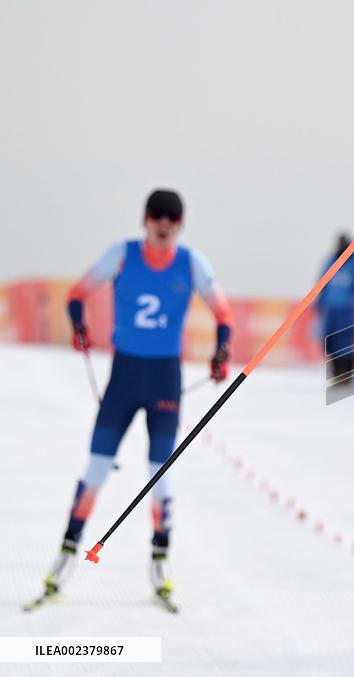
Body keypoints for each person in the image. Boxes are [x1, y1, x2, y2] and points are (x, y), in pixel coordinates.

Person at [37, 189, 233, 611]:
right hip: (124, 376)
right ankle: (66, 555)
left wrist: (221, 352)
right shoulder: (121, 255)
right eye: (157, 216)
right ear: (145, 220)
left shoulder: (192, 262)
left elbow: (223, 314)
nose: (164, 224)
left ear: (180, 224)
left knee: (159, 472)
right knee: (96, 466)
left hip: (164, 378)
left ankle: (160, 563)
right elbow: (76, 295)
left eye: (172, 218)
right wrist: (79, 327)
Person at [317, 233, 354, 384]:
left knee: (345, 343)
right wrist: (320, 302)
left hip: (346, 309)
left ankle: (347, 374)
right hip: (331, 309)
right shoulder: (330, 262)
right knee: (329, 341)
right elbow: (322, 284)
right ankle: (337, 373)